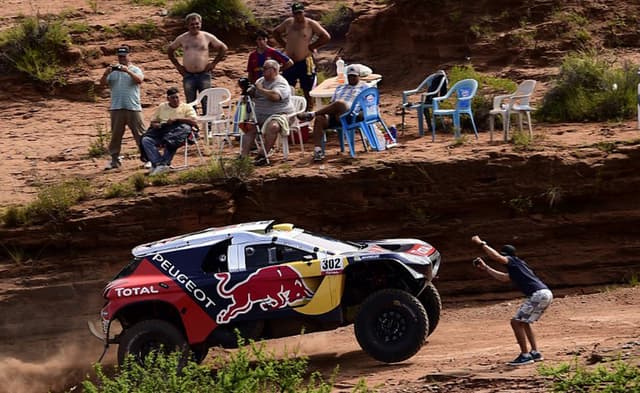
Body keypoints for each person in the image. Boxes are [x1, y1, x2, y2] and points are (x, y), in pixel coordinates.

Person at [471, 235, 553, 366]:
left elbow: (497, 257)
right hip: (545, 293)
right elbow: (504, 278)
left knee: (515, 322)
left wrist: (481, 244)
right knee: (524, 322)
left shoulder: (513, 260)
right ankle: (535, 352)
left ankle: (525, 355)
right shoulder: (519, 266)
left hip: (538, 294)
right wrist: (486, 268)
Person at [296, 65, 367, 162]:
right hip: (336, 115)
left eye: (354, 76)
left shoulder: (364, 87)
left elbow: (368, 104)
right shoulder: (340, 87)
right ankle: (318, 150)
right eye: (350, 76)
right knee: (320, 118)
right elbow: (331, 103)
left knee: (340, 103)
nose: (352, 78)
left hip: (351, 114)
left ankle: (312, 114)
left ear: (359, 76)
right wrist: (328, 112)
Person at [272, 2, 330, 110]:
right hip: (289, 62)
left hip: (305, 60)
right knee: (287, 86)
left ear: (303, 12)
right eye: (296, 13)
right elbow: (275, 32)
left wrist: (312, 46)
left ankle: (309, 110)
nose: (298, 16)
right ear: (293, 14)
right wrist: (284, 44)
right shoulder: (288, 23)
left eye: (300, 13)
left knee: (307, 88)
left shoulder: (310, 24)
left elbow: (326, 36)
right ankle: (288, 108)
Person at [239, 59, 295, 166]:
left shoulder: (281, 83)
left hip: (279, 114)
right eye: (262, 68)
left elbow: (275, 97)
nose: (262, 70)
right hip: (260, 114)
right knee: (249, 127)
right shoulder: (260, 81)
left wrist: (260, 89)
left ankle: (263, 154)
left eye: (265, 68)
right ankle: (243, 157)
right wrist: (247, 90)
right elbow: (253, 93)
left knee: (272, 127)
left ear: (274, 70)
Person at [168, 13, 228, 110]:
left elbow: (223, 48)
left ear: (200, 23)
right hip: (188, 75)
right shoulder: (182, 38)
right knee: (190, 103)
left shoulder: (207, 36)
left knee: (206, 101)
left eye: (197, 23)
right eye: (192, 24)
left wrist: (214, 63)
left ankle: (207, 124)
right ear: (187, 25)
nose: (195, 26)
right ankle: (192, 124)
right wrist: (178, 66)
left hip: (204, 74)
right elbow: (170, 50)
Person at [100, 45, 145, 170]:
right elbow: (102, 84)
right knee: (116, 135)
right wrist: (106, 73)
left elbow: (139, 80)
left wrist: (127, 71)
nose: (122, 59)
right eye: (120, 57)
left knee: (140, 134)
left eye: (124, 56)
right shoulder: (113, 71)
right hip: (116, 107)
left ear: (129, 56)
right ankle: (114, 160)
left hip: (133, 106)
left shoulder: (135, 69)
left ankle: (147, 158)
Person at [141, 87, 198, 175]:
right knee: (146, 139)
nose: (175, 100)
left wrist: (177, 119)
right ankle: (158, 163)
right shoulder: (162, 106)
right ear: (168, 99)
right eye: (173, 98)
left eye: (177, 97)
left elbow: (194, 121)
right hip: (164, 129)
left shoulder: (186, 107)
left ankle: (163, 164)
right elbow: (154, 121)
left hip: (180, 130)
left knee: (171, 139)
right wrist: (156, 125)